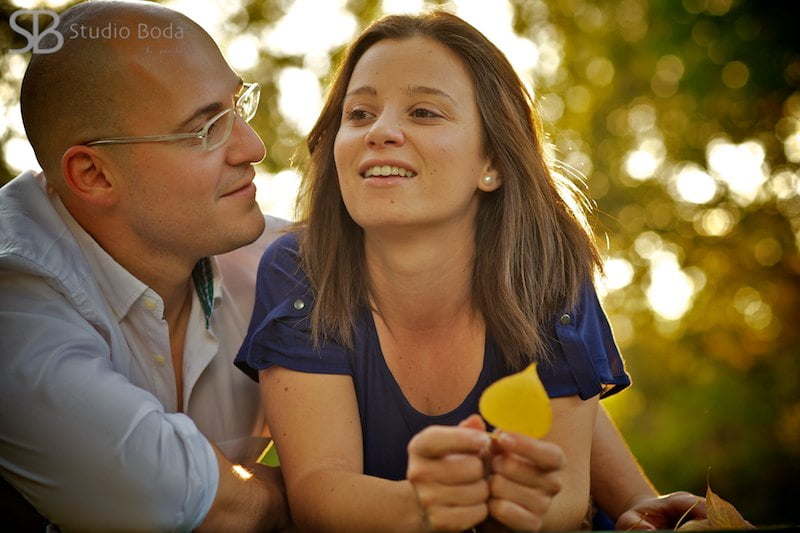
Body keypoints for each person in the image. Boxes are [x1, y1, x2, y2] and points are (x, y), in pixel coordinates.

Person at [236, 10, 707, 532]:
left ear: (493, 162)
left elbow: (565, 501)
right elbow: (318, 493)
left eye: (424, 112)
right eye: (360, 113)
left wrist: (627, 499)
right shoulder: (300, 272)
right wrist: (427, 504)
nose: (381, 132)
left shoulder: (547, 272)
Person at [0, 1, 290, 530]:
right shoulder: (11, 294)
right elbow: (176, 505)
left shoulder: (279, 261)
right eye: (207, 129)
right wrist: (314, 489)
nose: (253, 147)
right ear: (94, 175)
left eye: (238, 107)